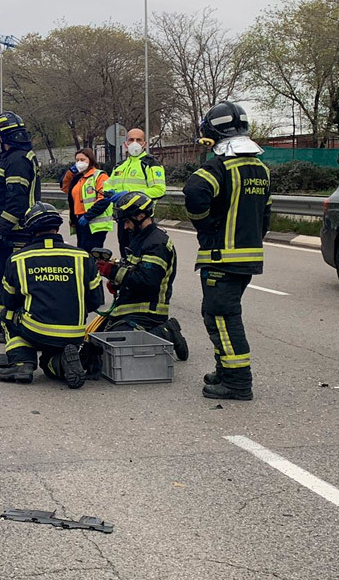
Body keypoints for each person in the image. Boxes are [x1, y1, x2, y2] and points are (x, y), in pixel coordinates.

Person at [183, 102, 271, 401]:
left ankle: (237, 381)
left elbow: (194, 191)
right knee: (224, 314)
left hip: (222, 258)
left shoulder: (220, 167)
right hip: (249, 257)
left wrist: (206, 226)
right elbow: (266, 217)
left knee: (220, 316)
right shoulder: (261, 169)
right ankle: (225, 370)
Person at [0, 202, 104, 388]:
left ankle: (22, 363)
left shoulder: (18, 258)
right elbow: (95, 301)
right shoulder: (83, 257)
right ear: (57, 226)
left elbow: (8, 300)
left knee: (7, 315)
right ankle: (60, 362)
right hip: (75, 332)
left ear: (30, 229)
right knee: (48, 363)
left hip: (37, 331)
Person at [94, 191, 189, 361]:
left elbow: (148, 282)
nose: (125, 227)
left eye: (128, 222)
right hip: (129, 309)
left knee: (118, 347)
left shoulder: (156, 244)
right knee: (95, 345)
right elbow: (133, 272)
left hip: (147, 312)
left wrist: (113, 272)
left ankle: (166, 331)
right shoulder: (139, 239)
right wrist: (117, 282)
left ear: (141, 216)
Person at [0, 111, 39, 341]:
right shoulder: (12, 158)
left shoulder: (17, 160)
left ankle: (12, 327)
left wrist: (2, 228)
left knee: (12, 282)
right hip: (7, 234)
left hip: (16, 233)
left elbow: (17, 201)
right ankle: (0, 322)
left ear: (2, 136)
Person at [103, 128, 167, 256]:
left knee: (140, 254)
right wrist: (109, 193)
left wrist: (129, 194)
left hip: (141, 219)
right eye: (131, 140)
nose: (135, 143)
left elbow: (159, 190)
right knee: (125, 253)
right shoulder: (120, 166)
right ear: (125, 143)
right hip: (122, 219)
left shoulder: (151, 164)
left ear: (145, 144)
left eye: (139, 140)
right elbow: (107, 186)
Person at [59, 147, 113, 253]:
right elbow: (64, 187)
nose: (79, 163)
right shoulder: (78, 178)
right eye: (77, 160)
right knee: (82, 252)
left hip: (94, 222)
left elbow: (104, 199)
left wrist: (88, 216)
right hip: (80, 222)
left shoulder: (100, 176)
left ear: (90, 160)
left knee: (91, 253)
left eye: (82, 160)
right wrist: (70, 173)